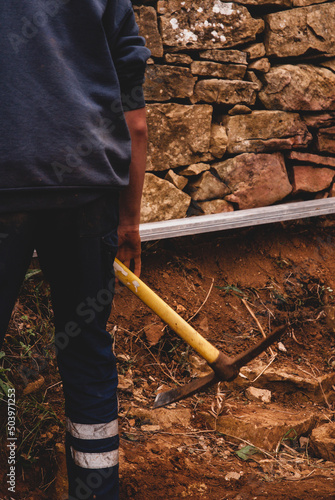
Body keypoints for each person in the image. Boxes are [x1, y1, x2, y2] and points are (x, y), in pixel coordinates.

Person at [0, 1, 150, 499]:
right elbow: (136, 122)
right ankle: (96, 490)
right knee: (85, 346)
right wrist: (128, 217)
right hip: (87, 194)